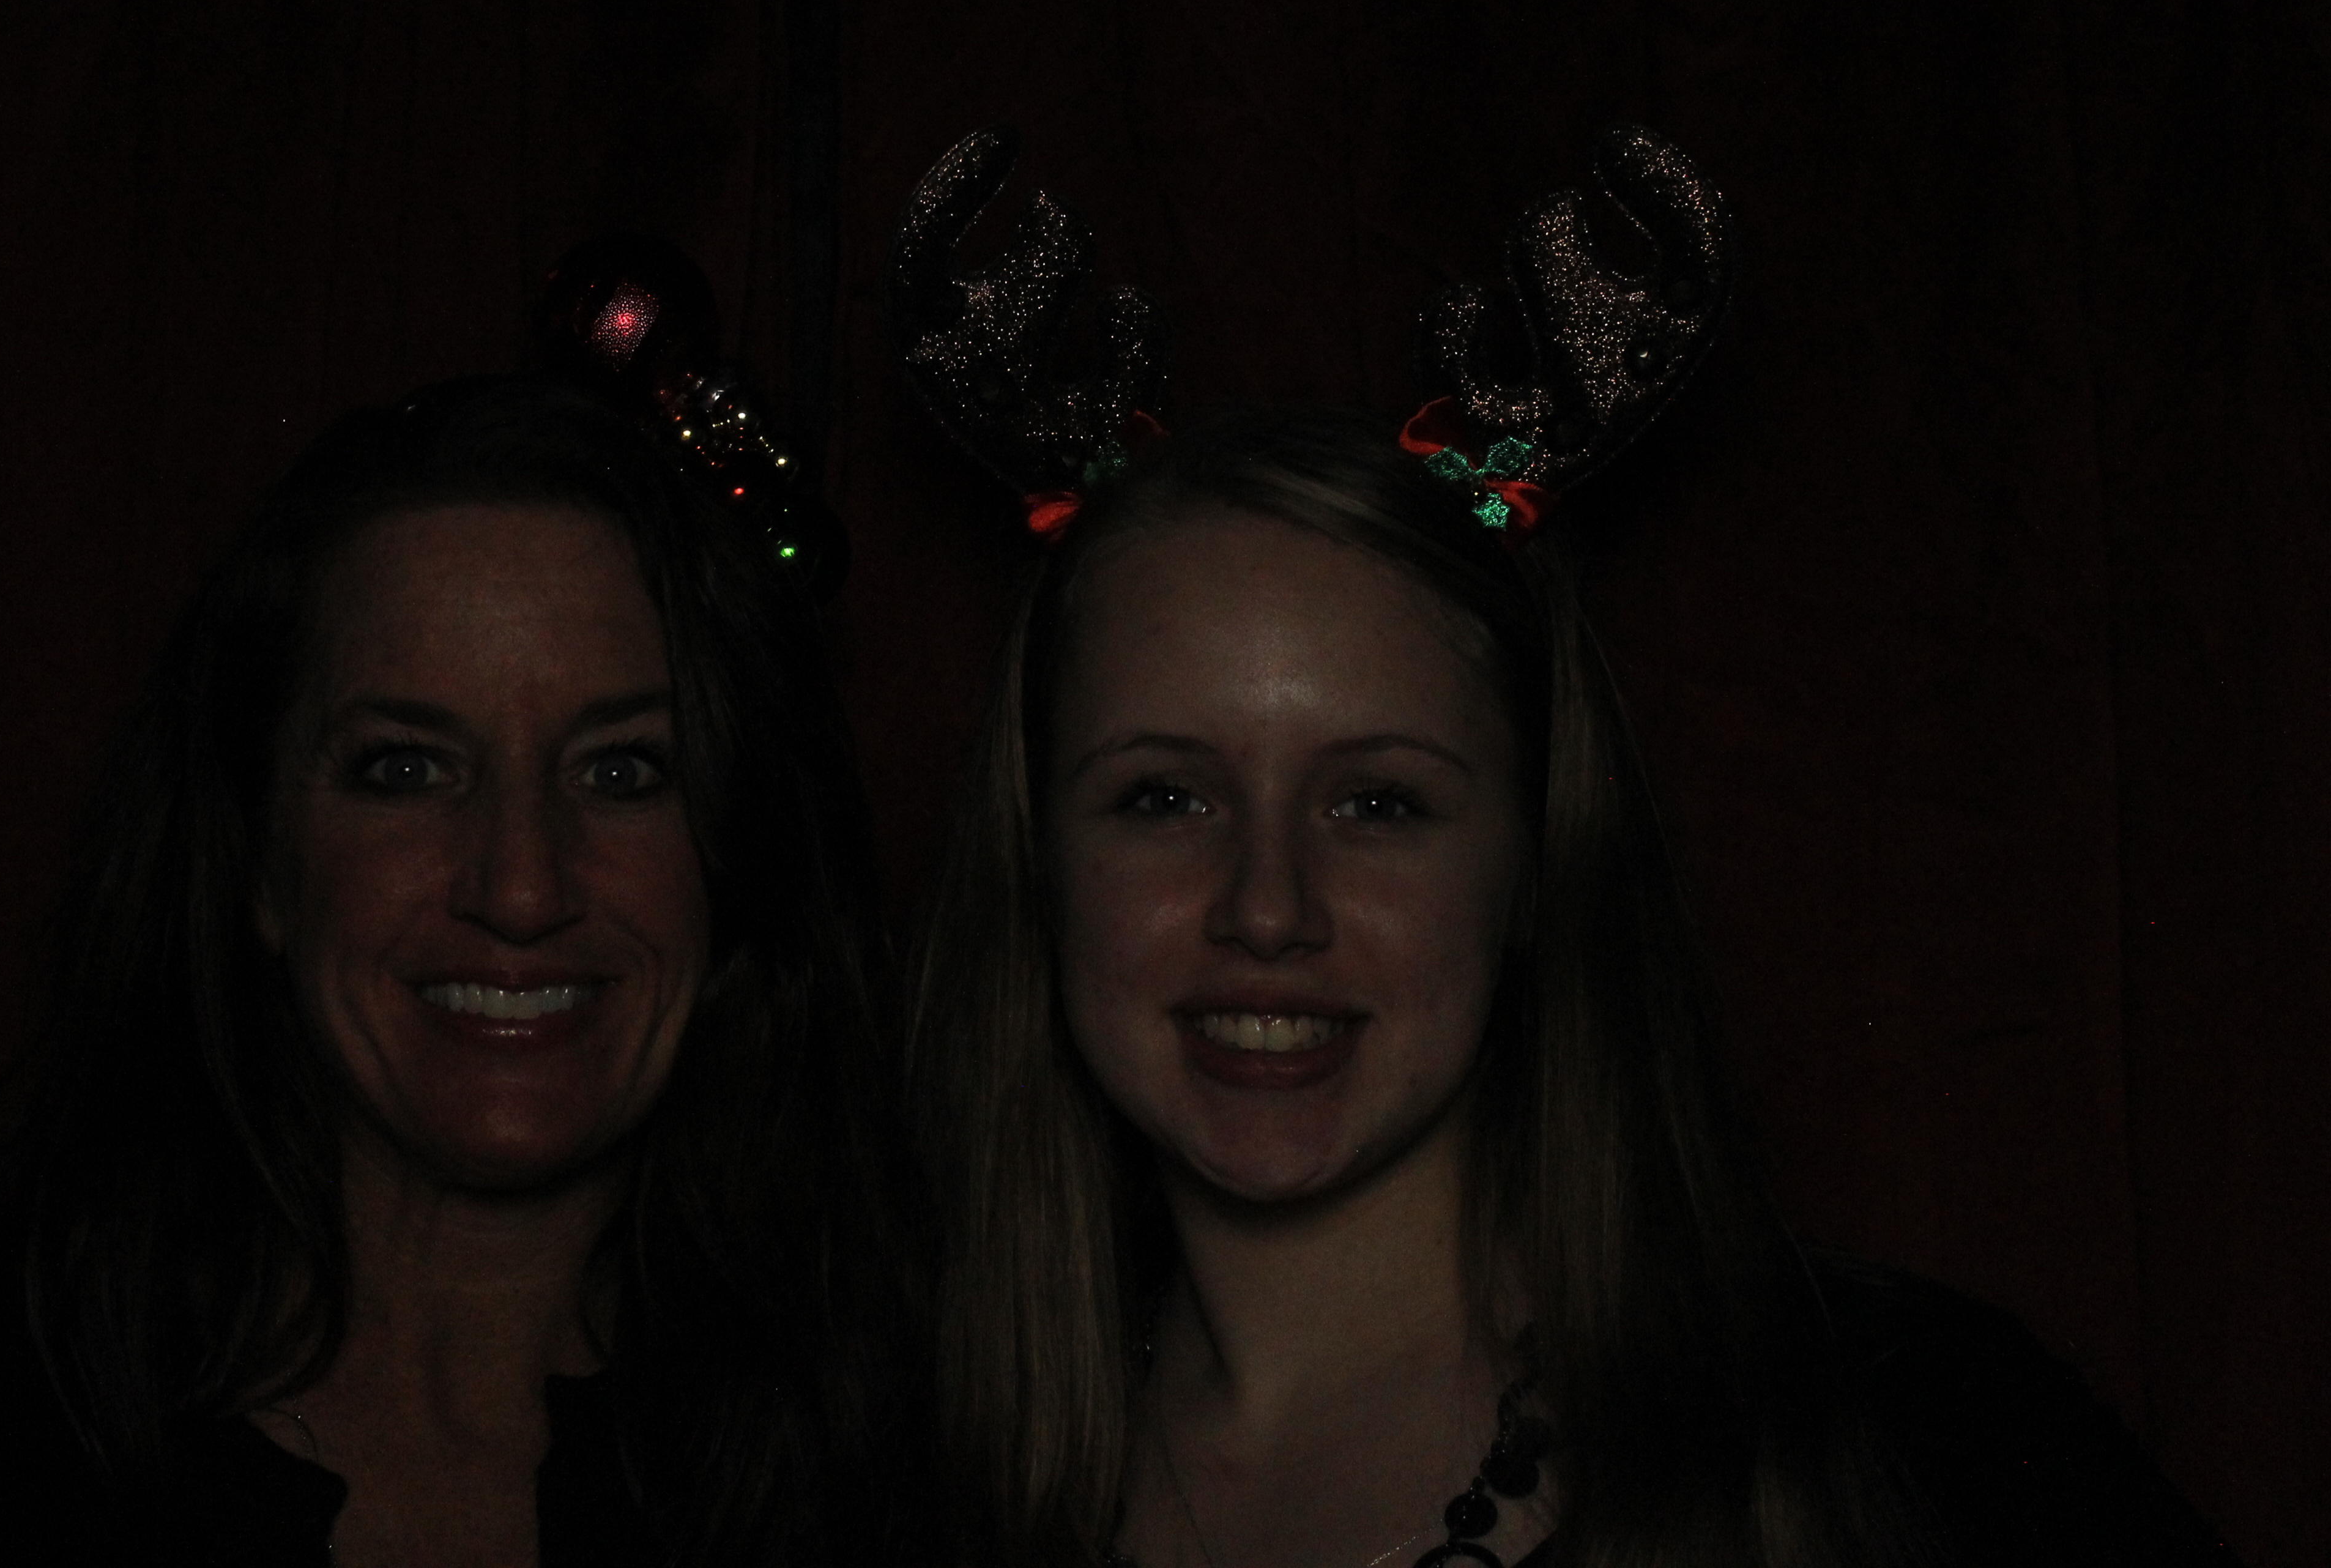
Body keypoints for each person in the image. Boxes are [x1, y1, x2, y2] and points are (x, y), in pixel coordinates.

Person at [903, 406, 2233, 1568]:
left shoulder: (1917, 1441)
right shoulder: (902, 1489)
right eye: (1164, 797)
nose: (1266, 909)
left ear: (1539, 861)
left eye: (1378, 803)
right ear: (1038, 861)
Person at [0, 375, 913, 1566]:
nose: (522, 888)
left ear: (737, 855)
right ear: (260, 862)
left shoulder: (911, 1469)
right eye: (406, 770)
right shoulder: (2, 1462)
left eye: (621, 772)